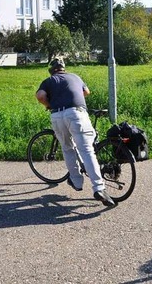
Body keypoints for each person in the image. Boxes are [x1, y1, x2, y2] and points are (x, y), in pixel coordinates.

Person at [36, 58, 116, 207]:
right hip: (76, 113)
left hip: (57, 116)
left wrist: (49, 105)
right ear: (64, 69)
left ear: (51, 70)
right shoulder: (75, 77)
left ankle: (77, 182)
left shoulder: (48, 81)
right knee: (87, 150)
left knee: (67, 148)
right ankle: (99, 188)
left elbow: (40, 96)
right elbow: (86, 92)